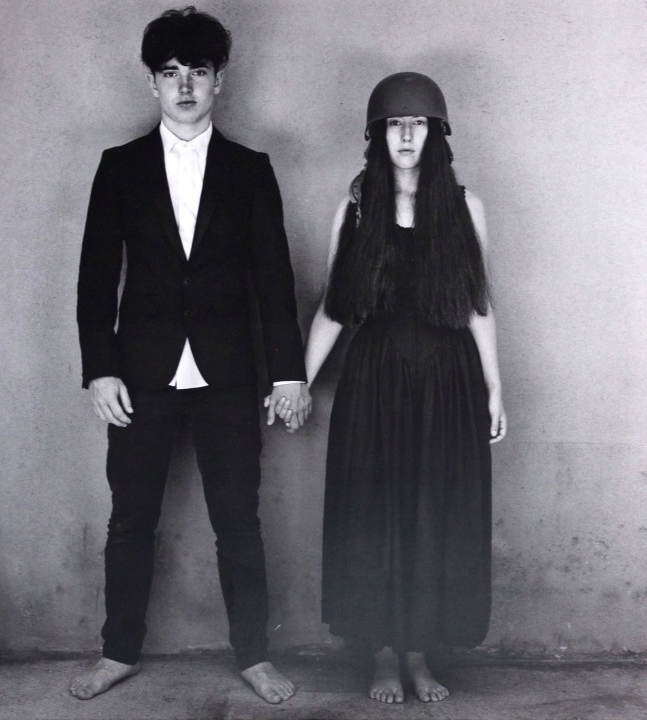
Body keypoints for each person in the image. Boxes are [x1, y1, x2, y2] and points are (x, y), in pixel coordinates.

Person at [70, 6, 311, 704]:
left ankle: (254, 656)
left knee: (238, 520)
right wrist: (100, 369)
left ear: (219, 81)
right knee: (129, 519)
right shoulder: (119, 167)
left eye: (197, 72)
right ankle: (117, 651)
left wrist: (288, 374)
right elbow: (94, 278)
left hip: (227, 372)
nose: (184, 86)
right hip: (139, 373)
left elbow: (274, 279)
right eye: (170, 73)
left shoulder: (250, 170)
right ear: (152, 82)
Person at [298, 72, 506, 704]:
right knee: (376, 516)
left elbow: (478, 304)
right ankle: (383, 657)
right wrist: (297, 382)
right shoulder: (356, 209)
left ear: (438, 134)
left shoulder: (465, 207)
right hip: (376, 382)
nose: (407, 135)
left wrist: (495, 388)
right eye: (395, 124)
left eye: (418, 124)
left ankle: (418, 654)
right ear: (377, 135)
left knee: (432, 517)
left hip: (448, 382)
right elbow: (334, 308)